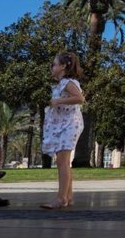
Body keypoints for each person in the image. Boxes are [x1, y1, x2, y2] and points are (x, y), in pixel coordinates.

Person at [40, 52, 85, 210]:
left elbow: (79, 98)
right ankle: (68, 196)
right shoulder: (61, 84)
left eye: (54, 64)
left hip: (70, 124)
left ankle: (61, 198)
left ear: (63, 66)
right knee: (63, 162)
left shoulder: (68, 82)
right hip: (64, 124)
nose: (51, 67)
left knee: (62, 161)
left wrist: (58, 100)